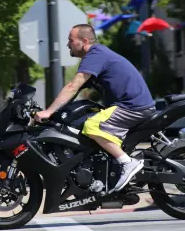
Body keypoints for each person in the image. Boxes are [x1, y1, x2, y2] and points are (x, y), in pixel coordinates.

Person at [34, 24, 156, 193]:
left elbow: (72, 87)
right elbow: (75, 92)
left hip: (132, 107)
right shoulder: (96, 56)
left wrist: (47, 112)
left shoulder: (95, 55)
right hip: (129, 106)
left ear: (84, 41)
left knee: (92, 125)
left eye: (71, 40)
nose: (68, 44)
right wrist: (54, 113)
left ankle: (127, 163)